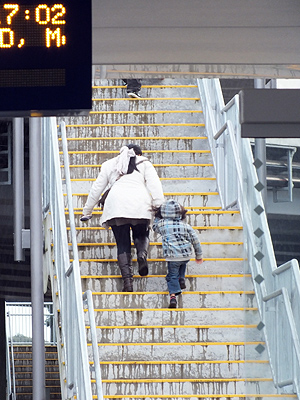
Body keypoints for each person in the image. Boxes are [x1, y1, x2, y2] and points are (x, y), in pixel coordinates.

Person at [81, 144, 164, 292]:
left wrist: (87, 211)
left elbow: (96, 188)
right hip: (140, 204)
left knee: (122, 244)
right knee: (141, 234)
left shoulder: (109, 164)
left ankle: (128, 283)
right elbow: (155, 185)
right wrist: (159, 206)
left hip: (116, 206)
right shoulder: (145, 163)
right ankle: (141, 254)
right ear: (138, 154)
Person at [152, 199, 203, 308]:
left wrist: (157, 216)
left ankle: (173, 296)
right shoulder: (185, 225)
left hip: (172, 256)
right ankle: (182, 279)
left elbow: (154, 227)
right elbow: (195, 240)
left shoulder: (162, 224)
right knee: (182, 262)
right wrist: (199, 255)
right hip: (186, 255)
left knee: (171, 276)